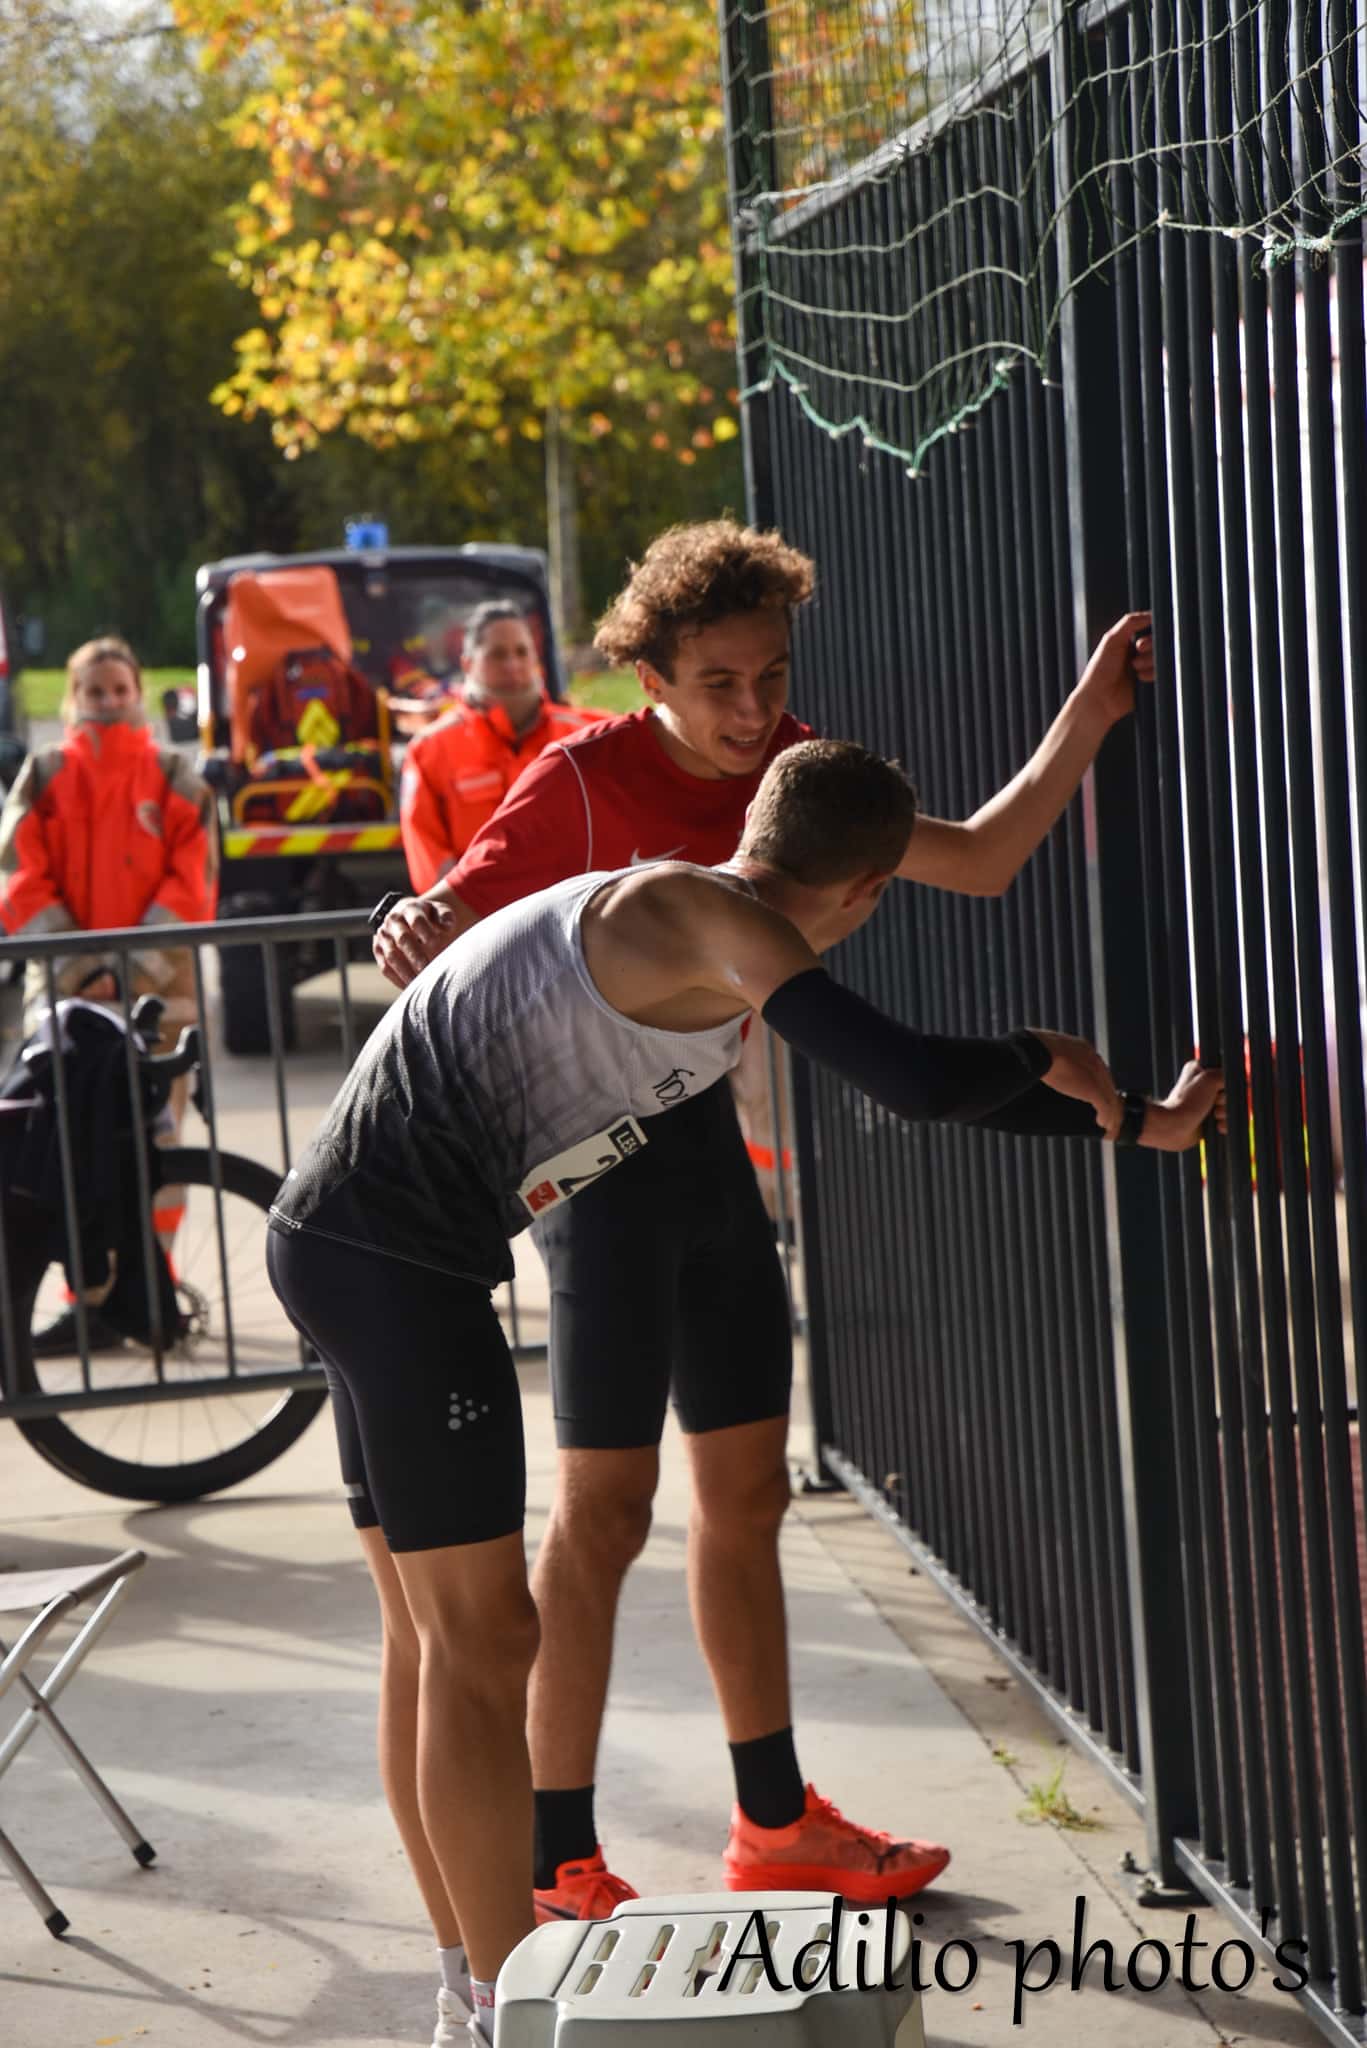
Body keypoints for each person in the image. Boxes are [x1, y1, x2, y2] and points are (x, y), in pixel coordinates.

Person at [273, 737, 1225, 2044]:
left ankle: (468, 1990)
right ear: (868, 887)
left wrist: (1125, 1120)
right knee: (484, 1644)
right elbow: (913, 1076)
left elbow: (932, 1083)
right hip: (389, 1262)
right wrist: (1044, 1054)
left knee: (440, 1645)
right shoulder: (705, 920)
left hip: (346, 1244)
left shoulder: (692, 925)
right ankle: (503, 2009)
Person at [370, 520, 1189, 1925]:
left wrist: (1086, 712)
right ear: (650, 677)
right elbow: (443, 927)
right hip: (597, 1165)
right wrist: (408, 917)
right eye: (720, 685)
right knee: (606, 1515)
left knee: (743, 1497)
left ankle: (772, 1821)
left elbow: (982, 857)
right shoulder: (580, 781)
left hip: (703, 1156)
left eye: (770, 678)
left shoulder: (791, 775)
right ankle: (552, 1846)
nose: (754, 713)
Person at [0, 635, 217, 1350]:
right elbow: (19, 876)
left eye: (120, 689)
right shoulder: (47, 772)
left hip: (161, 1001)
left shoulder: (177, 777)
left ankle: (149, 1297)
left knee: (156, 1153)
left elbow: (192, 882)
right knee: (71, 1155)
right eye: (94, 691)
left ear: (139, 696)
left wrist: (124, 971)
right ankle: (89, 1304)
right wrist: (78, 969)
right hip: (65, 1004)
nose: (109, 702)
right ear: (72, 700)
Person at [399, 601, 606, 893]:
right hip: (479, 925)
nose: (513, 665)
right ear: (468, 664)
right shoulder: (430, 750)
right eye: (497, 654)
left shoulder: (585, 734)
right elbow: (429, 858)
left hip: (576, 918)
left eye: (522, 652)